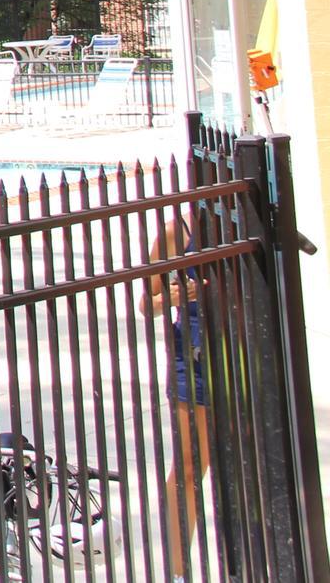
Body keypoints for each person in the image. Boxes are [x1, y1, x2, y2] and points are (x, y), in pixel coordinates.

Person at [142, 211, 212, 583]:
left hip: (244, 351)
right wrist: (172, 297)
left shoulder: (250, 217)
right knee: (189, 466)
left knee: (248, 463)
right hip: (195, 357)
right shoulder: (177, 232)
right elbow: (146, 303)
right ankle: (179, 572)